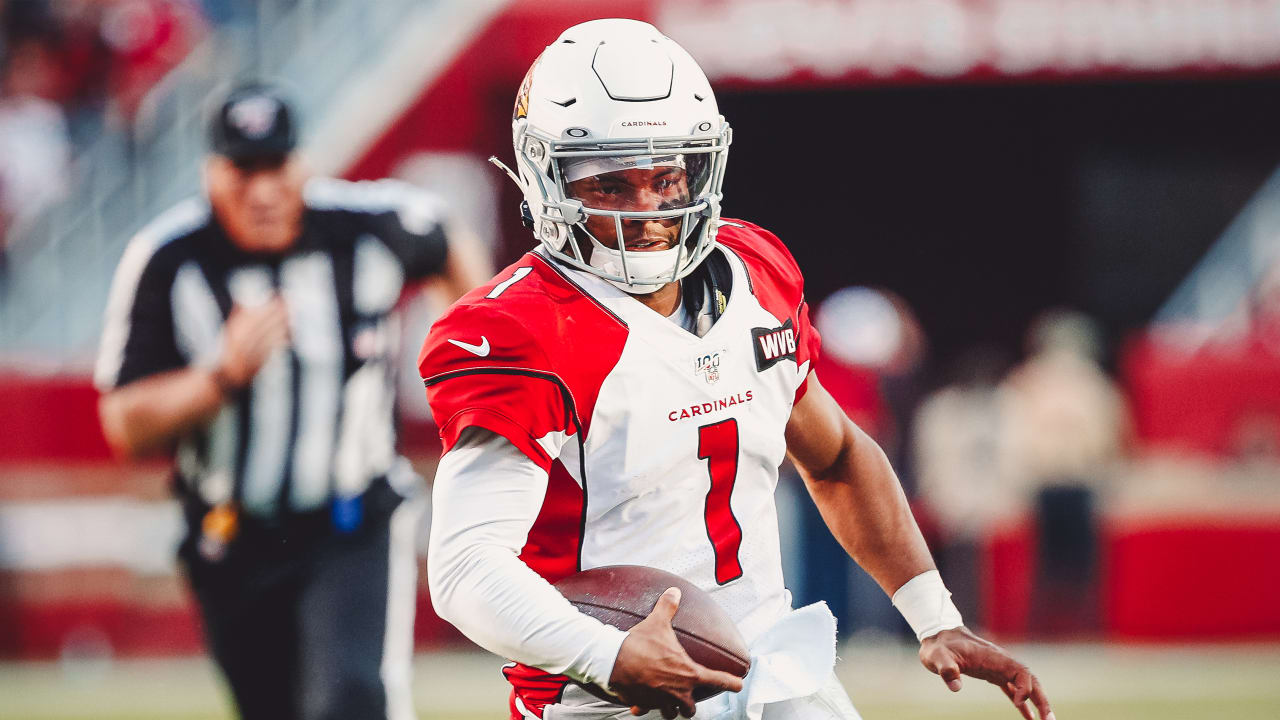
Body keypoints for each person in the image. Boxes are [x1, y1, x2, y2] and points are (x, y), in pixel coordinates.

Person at [420, 19, 1053, 720]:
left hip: (769, 669)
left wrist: (935, 615)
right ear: (546, 177)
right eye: (612, 183)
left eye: (668, 176)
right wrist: (608, 656)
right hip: (599, 698)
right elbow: (465, 570)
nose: (649, 210)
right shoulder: (520, 329)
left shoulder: (756, 273)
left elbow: (838, 456)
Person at [95, 82, 488, 720]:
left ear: (301, 165)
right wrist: (218, 376)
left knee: (351, 702)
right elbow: (124, 425)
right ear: (211, 173)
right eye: (242, 170)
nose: (263, 191)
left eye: (276, 167)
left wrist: (476, 368)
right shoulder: (167, 260)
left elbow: (446, 236)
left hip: (351, 522)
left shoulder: (366, 229)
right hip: (229, 535)